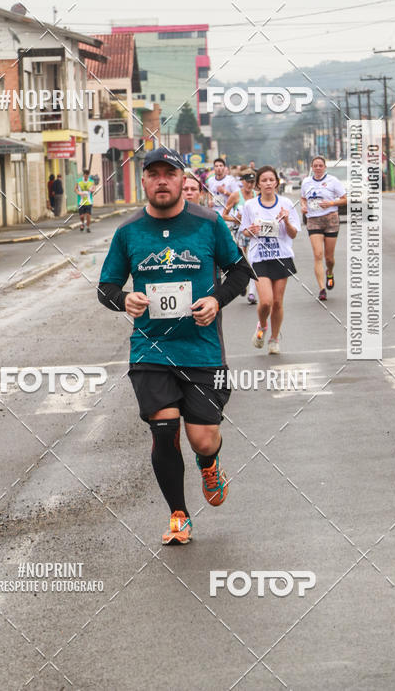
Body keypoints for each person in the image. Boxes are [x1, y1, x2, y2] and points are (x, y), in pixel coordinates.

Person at [98, 147, 250, 545]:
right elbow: (106, 287)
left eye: (170, 173)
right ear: (144, 181)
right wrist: (124, 299)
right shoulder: (128, 232)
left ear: (184, 180)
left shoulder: (208, 223)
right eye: (154, 174)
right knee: (164, 429)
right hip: (150, 350)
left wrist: (216, 300)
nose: (162, 181)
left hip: (202, 351)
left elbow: (240, 271)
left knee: (203, 438)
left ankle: (209, 462)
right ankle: (179, 515)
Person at [240, 165, 300, 354]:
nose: (268, 183)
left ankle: (274, 339)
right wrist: (251, 230)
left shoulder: (286, 204)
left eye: (271, 180)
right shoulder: (250, 205)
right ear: (258, 184)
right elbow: (244, 231)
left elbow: (293, 233)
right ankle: (262, 325)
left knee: (277, 302)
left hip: (281, 256)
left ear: (276, 183)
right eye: (263, 180)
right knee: (266, 301)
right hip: (259, 258)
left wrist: (287, 221)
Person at [300, 155, 347, 302]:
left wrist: (331, 203)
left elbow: (345, 199)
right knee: (318, 254)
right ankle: (321, 289)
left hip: (330, 219)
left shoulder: (333, 181)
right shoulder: (306, 182)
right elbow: (303, 198)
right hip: (313, 220)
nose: (318, 168)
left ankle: (330, 272)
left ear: (325, 167)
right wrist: (303, 206)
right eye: (315, 166)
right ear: (312, 168)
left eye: (321, 165)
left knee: (329, 258)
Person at [222, 170, 258, 304]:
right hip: (241, 231)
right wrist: (236, 219)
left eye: (252, 182)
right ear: (242, 182)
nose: (250, 185)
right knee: (244, 260)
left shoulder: (257, 195)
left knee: (253, 260)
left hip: (254, 232)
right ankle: (243, 283)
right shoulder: (236, 196)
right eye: (248, 182)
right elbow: (224, 215)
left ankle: (252, 293)